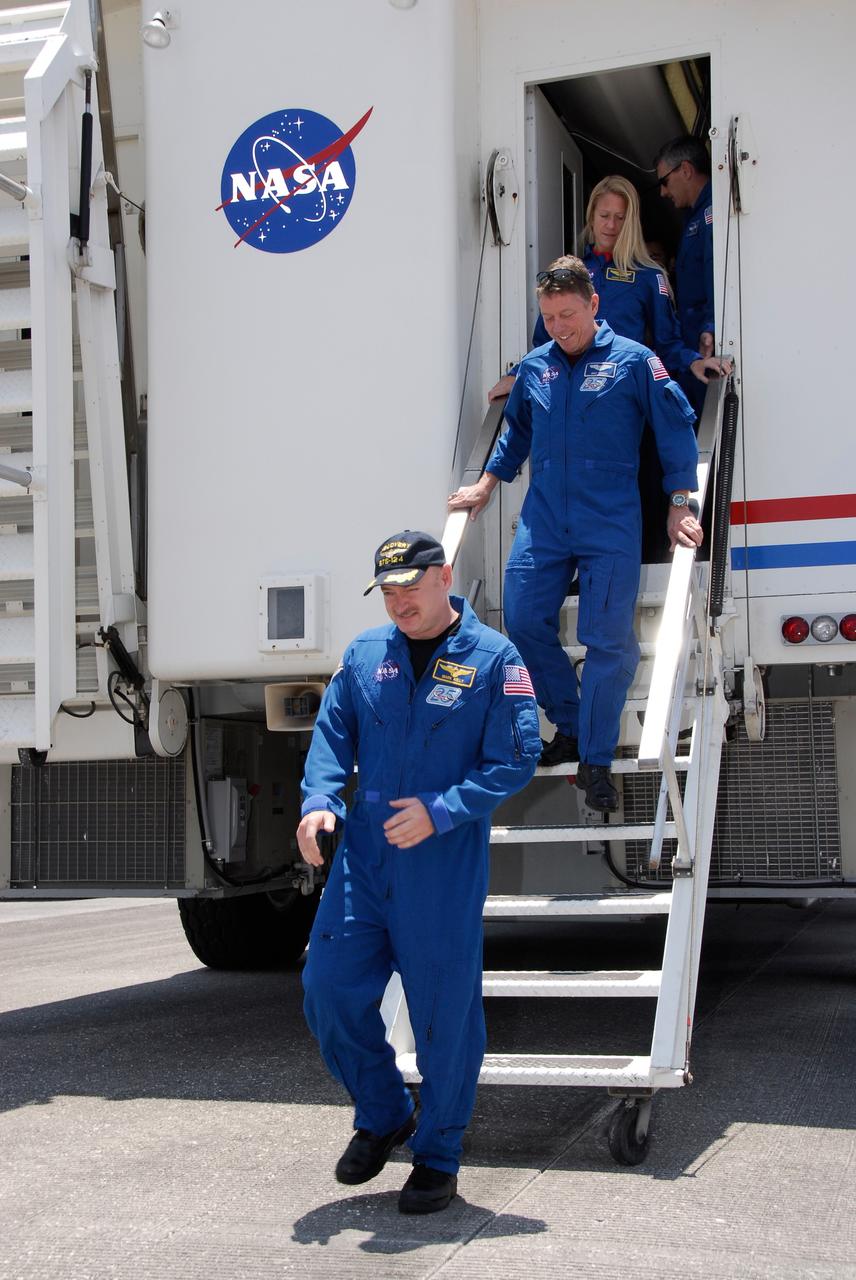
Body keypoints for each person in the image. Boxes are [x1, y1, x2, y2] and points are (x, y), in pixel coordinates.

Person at [297, 530, 541, 1215]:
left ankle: (437, 1154)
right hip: (365, 857)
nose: (400, 602)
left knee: (443, 1018)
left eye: (411, 586)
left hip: (439, 858)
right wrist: (318, 802)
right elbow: (331, 737)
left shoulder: (494, 659)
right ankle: (382, 1113)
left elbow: (516, 759)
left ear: (444, 576)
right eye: (389, 591)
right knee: (328, 988)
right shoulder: (364, 654)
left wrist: (443, 810)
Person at [448, 257, 703, 809]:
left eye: (568, 314)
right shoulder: (536, 367)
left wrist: (680, 503)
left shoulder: (636, 361)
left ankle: (595, 760)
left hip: (610, 518)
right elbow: (515, 433)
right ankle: (568, 719)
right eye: (549, 317)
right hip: (545, 518)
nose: (559, 327)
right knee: (520, 618)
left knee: (607, 639)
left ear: (593, 304)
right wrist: (487, 485)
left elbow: (677, 430)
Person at [488, 175, 724, 403]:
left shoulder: (649, 277)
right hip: (569, 401)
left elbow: (668, 345)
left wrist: (694, 362)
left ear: (630, 221)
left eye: (620, 217)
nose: (611, 225)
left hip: (623, 404)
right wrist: (516, 374)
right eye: (604, 215)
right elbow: (545, 344)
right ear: (591, 216)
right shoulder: (568, 274)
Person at [654, 136, 715, 360]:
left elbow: (717, 276)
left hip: (707, 345)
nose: (663, 192)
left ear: (686, 170)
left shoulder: (712, 214)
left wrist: (712, 325)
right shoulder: (694, 218)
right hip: (694, 342)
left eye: (664, 181)